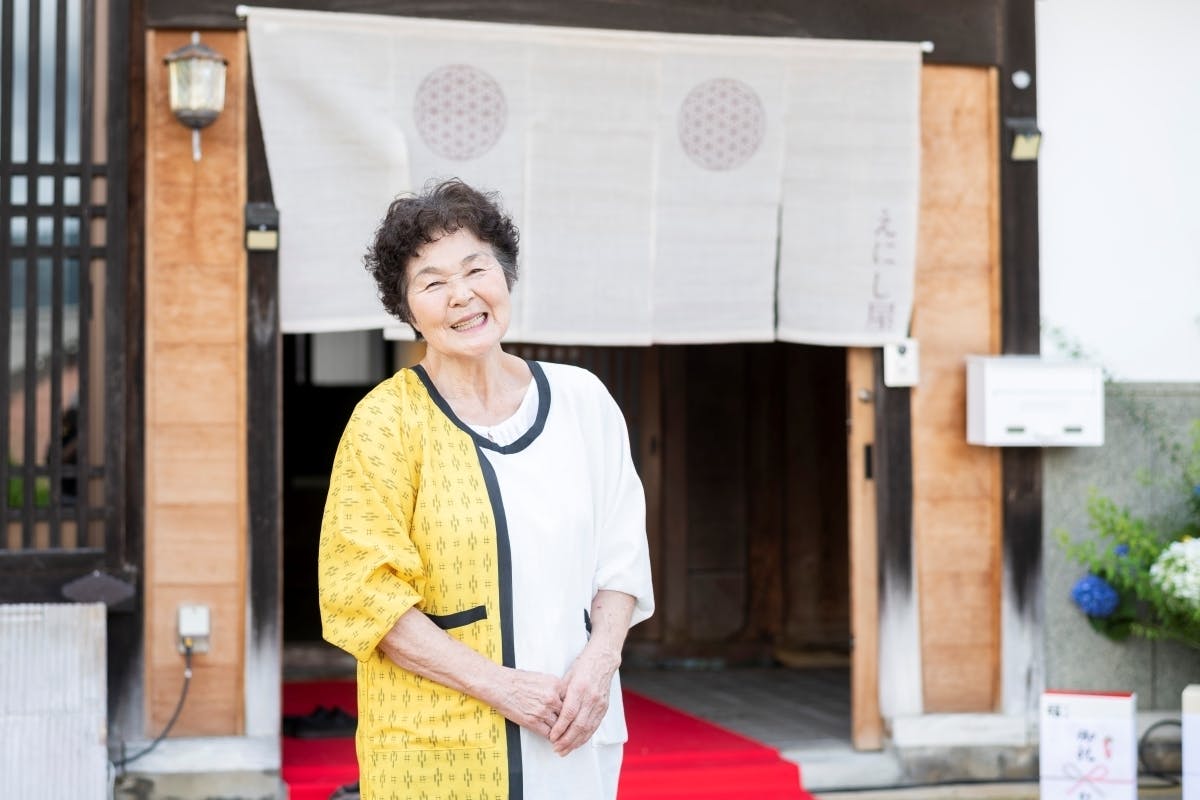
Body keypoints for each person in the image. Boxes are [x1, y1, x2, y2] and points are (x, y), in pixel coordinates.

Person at [318, 178, 654, 800]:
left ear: (506, 276)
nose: (461, 295)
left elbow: (622, 556)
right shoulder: (385, 422)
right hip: (438, 748)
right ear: (406, 310)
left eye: (476, 269)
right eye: (432, 283)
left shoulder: (583, 401)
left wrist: (601, 660)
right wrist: (504, 688)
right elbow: (363, 596)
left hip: (573, 727)